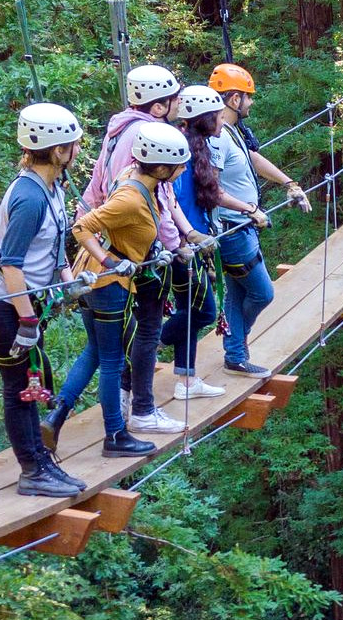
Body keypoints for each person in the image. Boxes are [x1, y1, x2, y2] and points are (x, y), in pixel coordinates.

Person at [81, 65, 216, 435]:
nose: (178, 107)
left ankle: (126, 403)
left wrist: (185, 235)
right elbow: (155, 198)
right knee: (146, 329)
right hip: (138, 251)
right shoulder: (147, 136)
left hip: (119, 245)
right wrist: (175, 244)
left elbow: (96, 189)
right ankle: (140, 407)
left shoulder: (118, 130)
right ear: (158, 107)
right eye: (173, 100)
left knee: (130, 334)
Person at [46, 122, 192, 458]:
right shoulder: (130, 197)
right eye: (178, 165)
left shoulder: (139, 180)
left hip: (92, 278)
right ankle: (115, 435)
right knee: (112, 360)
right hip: (107, 281)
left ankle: (55, 418)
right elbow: (82, 226)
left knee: (95, 352)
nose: (183, 169)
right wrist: (110, 262)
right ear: (160, 167)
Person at [0, 103, 86, 497]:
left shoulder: (52, 186)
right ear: (57, 150)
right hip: (5, 305)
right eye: (73, 145)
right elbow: (11, 264)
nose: (77, 150)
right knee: (21, 385)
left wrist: (69, 280)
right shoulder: (30, 198)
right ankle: (32, 471)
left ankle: (41, 461)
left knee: (39, 379)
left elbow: (54, 247)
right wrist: (26, 321)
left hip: (23, 304)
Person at [207, 63, 310, 378]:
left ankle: (235, 354)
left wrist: (288, 183)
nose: (251, 103)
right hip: (233, 229)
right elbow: (212, 189)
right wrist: (249, 210)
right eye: (248, 98)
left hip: (243, 226)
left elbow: (251, 157)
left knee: (240, 293)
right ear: (234, 100)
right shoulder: (218, 136)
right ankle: (234, 337)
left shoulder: (232, 131)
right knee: (262, 293)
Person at [163, 85, 228, 401]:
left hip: (193, 244)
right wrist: (187, 241)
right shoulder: (181, 154)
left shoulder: (197, 148)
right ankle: (146, 343)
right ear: (203, 119)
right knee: (204, 312)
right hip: (184, 249)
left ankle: (185, 382)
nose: (221, 121)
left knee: (191, 309)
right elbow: (176, 202)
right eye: (216, 116)